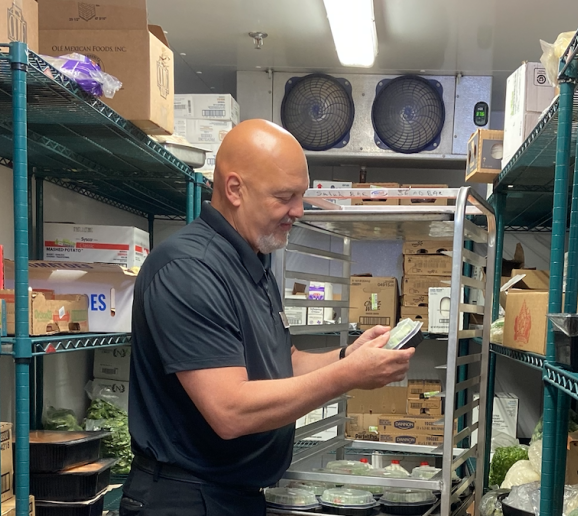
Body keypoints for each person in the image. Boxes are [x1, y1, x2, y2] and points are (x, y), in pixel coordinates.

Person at [120, 119, 415, 516]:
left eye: (301, 195)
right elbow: (229, 411)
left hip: (233, 495)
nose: (299, 210)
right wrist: (348, 377)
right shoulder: (188, 269)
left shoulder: (252, 262)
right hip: (185, 499)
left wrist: (349, 355)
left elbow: (284, 362)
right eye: (285, 196)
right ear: (235, 189)